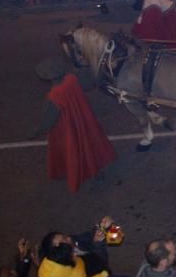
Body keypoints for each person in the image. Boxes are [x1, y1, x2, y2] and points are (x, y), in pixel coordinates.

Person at [31, 57, 116, 192]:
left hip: (66, 128)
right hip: (83, 119)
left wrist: (36, 131)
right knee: (89, 145)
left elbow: (48, 121)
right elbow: (89, 84)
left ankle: (72, 172)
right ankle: (95, 171)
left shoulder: (53, 96)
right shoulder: (72, 79)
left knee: (71, 150)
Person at [37, 226, 133, 277]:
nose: (68, 239)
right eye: (64, 241)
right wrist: (103, 275)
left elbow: (85, 237)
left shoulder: (58, 257)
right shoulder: (73, 275)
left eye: (64, 237)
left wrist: (102, 227)